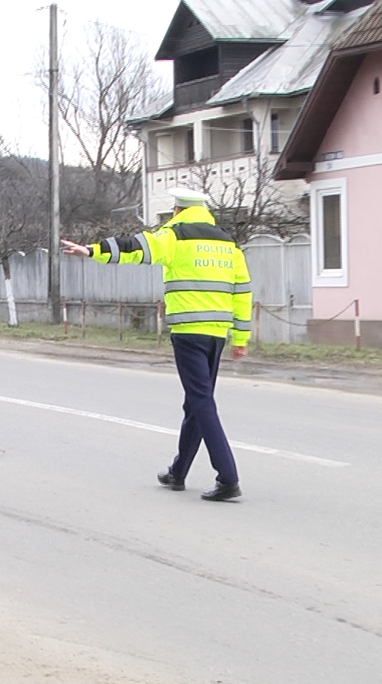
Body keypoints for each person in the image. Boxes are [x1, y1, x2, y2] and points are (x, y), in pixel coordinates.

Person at [61, 186, 252, 502]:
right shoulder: (228, 243)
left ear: (177, 211)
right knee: (196, 402)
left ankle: (228, 476)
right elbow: (243, 292)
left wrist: (92, 251)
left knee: (201, 401)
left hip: (188, 331)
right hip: (217, 333)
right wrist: (241, 339)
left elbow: (135, 247)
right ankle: (178, 473)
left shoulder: (176, 235)